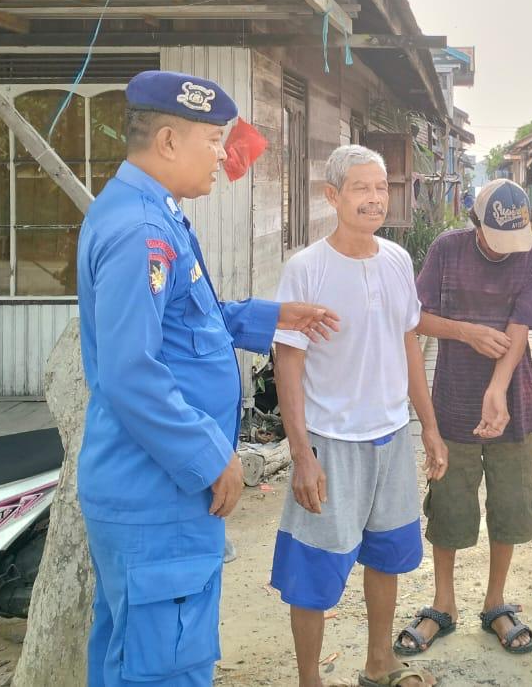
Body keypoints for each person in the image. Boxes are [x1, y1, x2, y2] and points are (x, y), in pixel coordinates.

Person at [77, 71, 339, 687]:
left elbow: (190, 323)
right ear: (168, 141)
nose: (225, 155)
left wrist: (273, 318)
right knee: (163, 667)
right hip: (157, 489)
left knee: (131, 654)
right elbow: (130, 371)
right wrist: (210, 457)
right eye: (213, 140)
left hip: (155, 488)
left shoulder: (154, 213)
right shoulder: (142, 231)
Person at [270, 145, 449, 687]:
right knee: (313, 571)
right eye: (361, 189)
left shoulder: (396, 259)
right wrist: (302, 453)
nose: (375, 199)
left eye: (381, 188)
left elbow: (408, 345)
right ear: (332, 197)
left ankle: (379, 664)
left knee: (387, 555)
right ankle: (310, 680)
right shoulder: (307, 268)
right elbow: (288, 362)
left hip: (391, 437)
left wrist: (430, 429)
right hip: (332, 441)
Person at [393, 179, 532, 658]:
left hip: (513, 403)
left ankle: (495, 602)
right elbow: (415, 317)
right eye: (494, 237)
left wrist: (498, 388)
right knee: (449, 503)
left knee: (510, 503)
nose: (504, 250)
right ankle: (444, 604)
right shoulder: (448, 249)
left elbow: (519, 327)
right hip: (452, 398)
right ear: (475, 225)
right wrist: (466, 332)